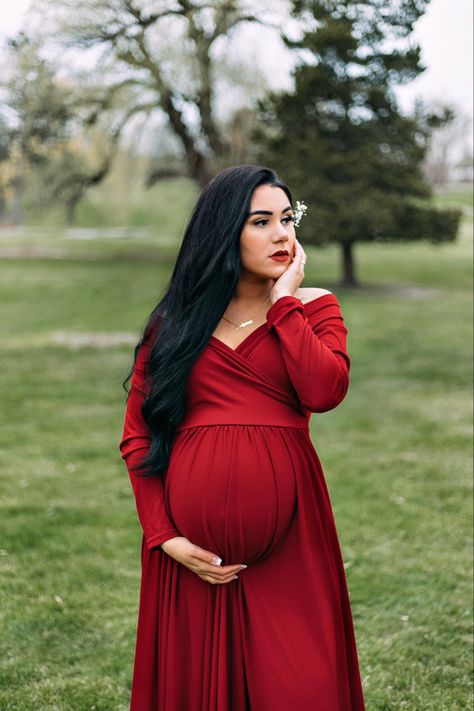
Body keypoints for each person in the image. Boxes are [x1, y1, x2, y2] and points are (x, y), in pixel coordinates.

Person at [119, 164, 366, 710]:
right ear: (224, 233)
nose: (282, 234)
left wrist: (284, 306)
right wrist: (166, 537)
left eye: (287, 218)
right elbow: (139, 438)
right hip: (188, 556)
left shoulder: (315, 306)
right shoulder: (175, 324)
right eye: (261, 222)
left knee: (304, 686)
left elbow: (325, 390)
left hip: (291, 545)